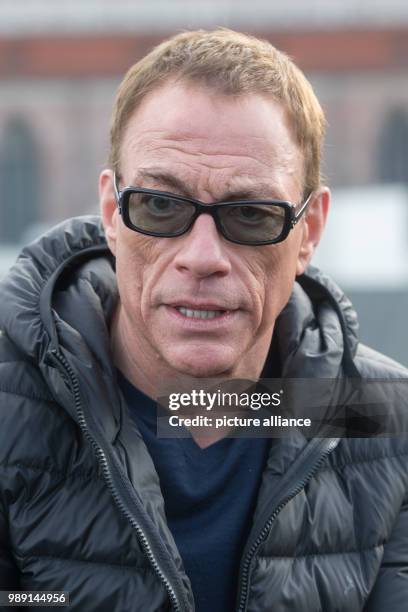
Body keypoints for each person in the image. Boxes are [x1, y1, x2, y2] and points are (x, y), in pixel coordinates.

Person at [0, 28, 407, 612]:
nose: (202, 257)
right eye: (161, 205)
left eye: (249, 214)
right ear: (112, 214)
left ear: (309, 232)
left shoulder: (385, 419)